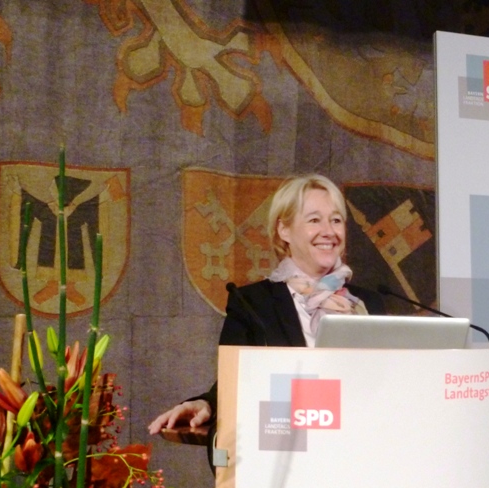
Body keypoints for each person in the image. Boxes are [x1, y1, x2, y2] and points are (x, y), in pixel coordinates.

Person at [148, 174, 385, 434]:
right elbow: (235, 381)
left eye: (336, 220)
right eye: (314, 220)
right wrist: (207, 404)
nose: (329, 231)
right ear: (284, 230)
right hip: (288, 442)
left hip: (361, 439)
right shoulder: (253, 304)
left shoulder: (368, 304)